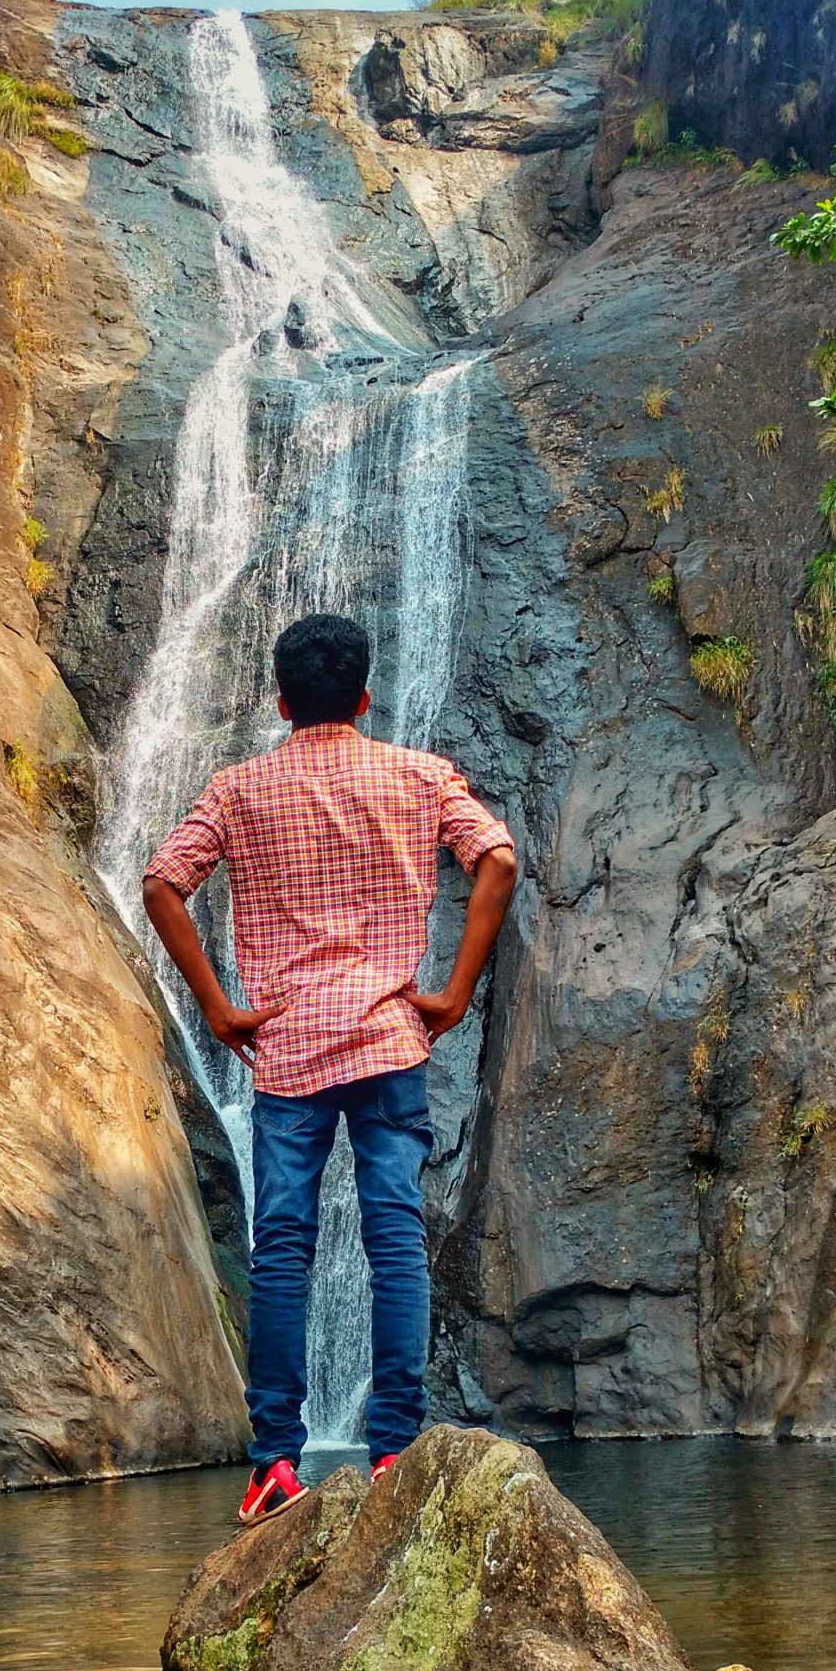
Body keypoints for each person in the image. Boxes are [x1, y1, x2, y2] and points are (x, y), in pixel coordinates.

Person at [142, 612, 517, 1526]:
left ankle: (276, 1462)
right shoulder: (419, 775)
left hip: (288, 1050)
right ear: (363, 696)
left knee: (283, 1252)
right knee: (393, 1240)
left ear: (280, 702)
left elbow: (160, 882)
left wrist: (220, 1007)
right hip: (391, 1042)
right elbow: (497, 860)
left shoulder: (238, 790)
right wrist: (456, 991)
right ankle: (394, 1450)